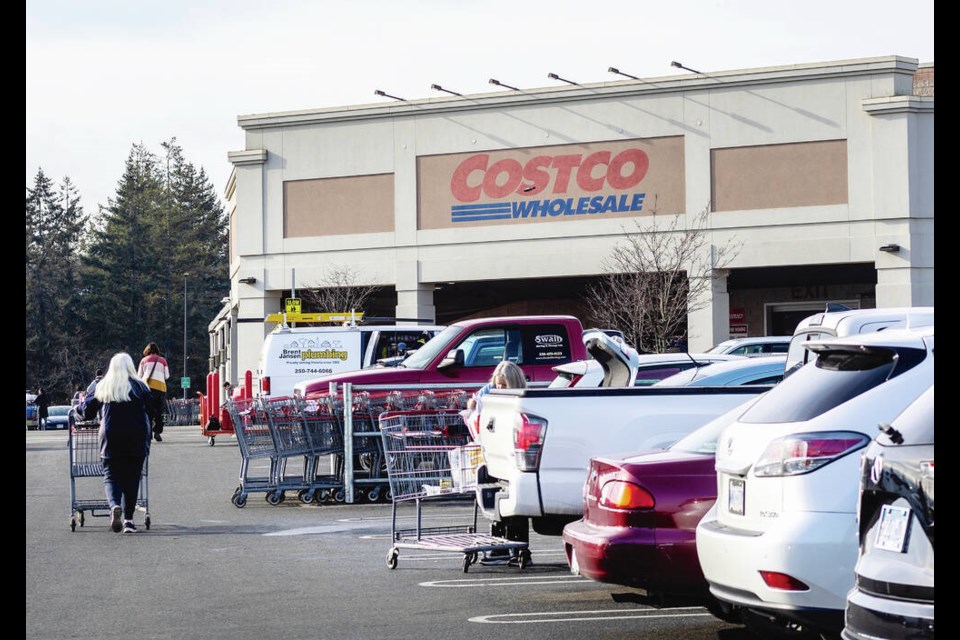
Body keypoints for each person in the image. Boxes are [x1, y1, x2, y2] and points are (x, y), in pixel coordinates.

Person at [465, 361, 530, 566]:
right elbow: (477, 398)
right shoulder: (493, 395)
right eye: (498, 384)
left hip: (512, 460)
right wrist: (473, 404)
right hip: (497, 459)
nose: (500, 388)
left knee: (512, 504)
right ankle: (503, 547)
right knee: (497, 500)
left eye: (504, 385)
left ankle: (515, 549)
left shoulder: (520, 402)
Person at [80, 352, 152, 534]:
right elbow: (153, 408)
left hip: (110, 437)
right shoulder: (140, 386)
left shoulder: (104, 385)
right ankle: (128, 520)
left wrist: (78, 410)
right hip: (136, 435)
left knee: (111, 475)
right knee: (133, 477)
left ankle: (114, 507)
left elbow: (87, 411)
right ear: (131, 367)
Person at [137, 342, 170, 443]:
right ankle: (157, 432)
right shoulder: (163, 361)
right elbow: (167, 376)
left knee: (148, 412)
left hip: (147, 389)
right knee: (159, 412)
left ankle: (148, 433)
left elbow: (139, 376)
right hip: (160, 388)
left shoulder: (143, 361)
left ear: (147, 350)